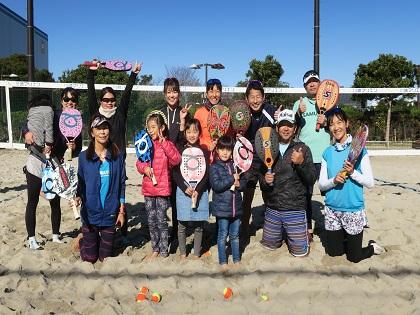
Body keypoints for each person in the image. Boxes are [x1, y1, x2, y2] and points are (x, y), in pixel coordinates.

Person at [318, 108, 385, 263]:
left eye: (339, 122)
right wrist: (334, 180)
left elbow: (370, 183)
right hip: (332, 211)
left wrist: (353, 172)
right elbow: (321, 186)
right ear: (328, 128)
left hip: (353, 211)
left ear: (347, 124)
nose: (336, 127)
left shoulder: (359, 150)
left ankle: (372, 247)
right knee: (334, 253)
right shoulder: (327, 152)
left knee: (353, 257)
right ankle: (348, 239)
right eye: (332, 124)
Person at [87, 60, 142, 241]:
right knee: (100, 193)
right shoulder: (96, 114)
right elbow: (90, 94)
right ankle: (99, 226)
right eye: (106, 100)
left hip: (117, 160)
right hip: (99, 160)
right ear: (101, 101)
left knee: (119, 194)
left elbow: (127, 94)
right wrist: (91, 73)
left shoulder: (120, 114)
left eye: (112, 100)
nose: (109, 103)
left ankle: (123, 230)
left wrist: (133, 74)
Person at [259, 109, 316, 256]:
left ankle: (298, 232)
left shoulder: (303, 149)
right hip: (273, 208)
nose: (286, 128)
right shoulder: (268, 148)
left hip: (295, 209)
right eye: (282, 125)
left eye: (289, 125)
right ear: (276, 127)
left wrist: (301, 163)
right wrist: (265, 180)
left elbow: (311, 179)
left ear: (295, 128)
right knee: (269, 246)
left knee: (299, 253)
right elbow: (262, 182)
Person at [75, 114, 126, 263]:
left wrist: (121, 211)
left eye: (105, 128)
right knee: (90, 259)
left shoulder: (118, 156)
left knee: (105, 259)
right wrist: (78, 198)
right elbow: (80, 183)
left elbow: (122, 184)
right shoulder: (84, 157)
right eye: (99, 129)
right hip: (90, 215)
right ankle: (82, 241)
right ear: (92, 133)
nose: (103, 132)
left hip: (110, 214)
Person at [136, 111, 181, 258]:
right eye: (149, 127)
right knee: (151, 221)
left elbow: (176, 160)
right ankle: (155, 248)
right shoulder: (145, 144)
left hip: (162, 190)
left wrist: (164, 144)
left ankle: (163, 249)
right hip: (148, 190)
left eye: (154, 127)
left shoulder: (167, 144)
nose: (150, 130)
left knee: (162, 220)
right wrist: (144, 168)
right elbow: (139, 163)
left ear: (161, 128)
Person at [293, 70, 330, 239]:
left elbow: (338, 127)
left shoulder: (329, 102)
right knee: (305, 195)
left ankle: (332, 226)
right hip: (306, 157)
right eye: (309, 82)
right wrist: (299, 113)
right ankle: (307, 228)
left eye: (315, 81)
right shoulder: (299, 103)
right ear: (305, 86)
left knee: (329, 194)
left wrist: (326, 121)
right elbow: (291, 126)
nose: (313, 84)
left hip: (325, 157)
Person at [241, 80, 276, 239]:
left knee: (268, 193)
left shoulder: (271, 111)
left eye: (258, 96)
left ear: (263, 97)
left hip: (266, 157)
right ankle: (244, 228)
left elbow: (286, 127)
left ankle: (270, 227)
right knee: (247, 195)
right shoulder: (241, 113)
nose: (255, 100)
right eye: (252, 97)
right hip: (248, 158)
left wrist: (281, 117)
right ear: (247, 99)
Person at [157, 77, 190, 243]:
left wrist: (183, 122)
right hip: (162, 164)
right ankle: (163, 233)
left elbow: (186, 139)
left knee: (177, 199)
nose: (172, 95)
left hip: (178, 162)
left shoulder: (184, 112)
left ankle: (178, 231)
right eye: (169, 92)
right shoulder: (158, 114)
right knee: (163, 200)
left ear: (179, 93)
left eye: (175, 91)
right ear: (164, 94)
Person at [173, 115, 209, 258]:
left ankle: (196, 253)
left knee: (199, 225)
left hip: (199, 192)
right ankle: (183, 253)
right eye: (189, 132)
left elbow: (206, 174)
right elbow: (175, 172)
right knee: (182, 223)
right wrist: (184, 187)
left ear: (199, 133)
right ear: (185, 133)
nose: (192, 135)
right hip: (183, 191)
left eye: (195, 131)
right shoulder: (180, 150)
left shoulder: (203, 151)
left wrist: (198, 190)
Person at [23, 94, 56, 249]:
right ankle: (54, 235)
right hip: (43, 159)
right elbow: (47, 129)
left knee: (32, 202)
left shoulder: (32, 112)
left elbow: (26, 125)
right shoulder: (50, 111)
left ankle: (32, 239)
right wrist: (48, 142)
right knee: (52, 201)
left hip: (36, 158)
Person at [209, 135, 246, 270]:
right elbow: (217, 186)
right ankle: (223, 261)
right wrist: (231, 179)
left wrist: (238, 184)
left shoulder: (236, 165)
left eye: (228, 149)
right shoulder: (214, 168)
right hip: (222, 209)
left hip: (236, 208)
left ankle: (236, 259)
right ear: (217, 150)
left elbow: (243, 184)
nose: (225, 152)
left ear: (233, 151)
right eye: (222, 149)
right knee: (222, 235)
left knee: (235, 236)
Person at [194, 78, 223, 154]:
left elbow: (229, 137)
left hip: (222, 156)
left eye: (217, 91)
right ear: (206, 94)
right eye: (211, 91)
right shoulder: (199, 113)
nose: (214, 95)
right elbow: (195, 136)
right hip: (203, 155)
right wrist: (207, 145)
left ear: (221, 93)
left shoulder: (226, 113)